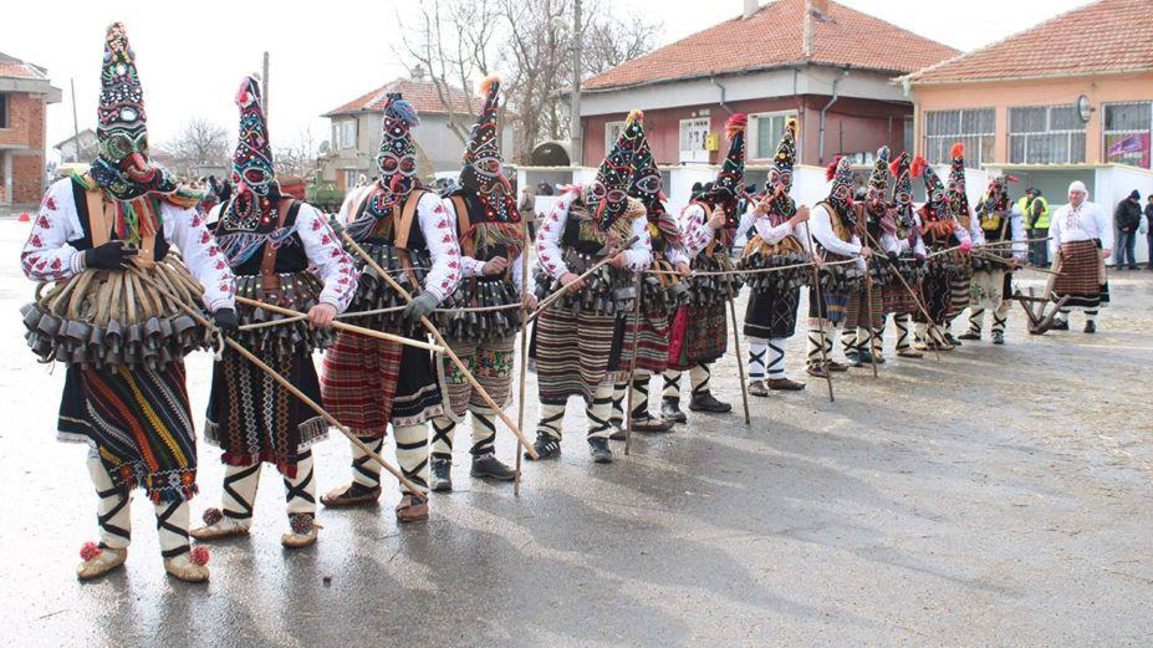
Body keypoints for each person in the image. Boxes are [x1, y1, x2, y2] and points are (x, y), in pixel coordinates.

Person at [19, 23, 235, 583]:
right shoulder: (67, 193)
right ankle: (112, 542)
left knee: (170, 437)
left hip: (155, 330)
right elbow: (33, 258)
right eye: (118, 136)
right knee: (102, 442)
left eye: (137, 135)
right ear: (100, 135)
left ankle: (175, 551)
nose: (129, 148)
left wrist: (222, 303)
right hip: (97, 336)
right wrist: (85, 259)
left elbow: (206, 254)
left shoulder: (167, 195)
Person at [190, 78, 357, 549]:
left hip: (284, 335)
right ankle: (235, 514)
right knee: (237, 424)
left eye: (254, 171)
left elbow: (340, 265)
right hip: (234, 334)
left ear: (269, 170)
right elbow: (197, 265)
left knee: (288, 426)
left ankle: (302, 516)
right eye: (241, 171)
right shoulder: (218, 213)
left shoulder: (299, 214)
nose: (247, 182)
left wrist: (328, 302)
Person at [319, 93, 461, 522]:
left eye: (403, 166)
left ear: (412, 165)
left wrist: (432, 295)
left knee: (407, 404)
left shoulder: (429, 203)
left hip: (405, 314)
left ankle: (415, 492)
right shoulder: (357, 199)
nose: (395, 174)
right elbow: (338, 251)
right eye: (388, 165)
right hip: (357, 312)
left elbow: (449, 258)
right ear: (377, 163)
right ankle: (365, 482)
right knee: (359, 399)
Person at [527, 110, 652, 464]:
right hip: (562, 292)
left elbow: (645, 253)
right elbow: (544, 242)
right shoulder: (570, 200)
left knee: (602, 366)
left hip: (606, 301)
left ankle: (598, 436)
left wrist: (624, 260)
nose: (605, 202)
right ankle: (548, 435)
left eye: (613, 196)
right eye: (601, 192)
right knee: (554, 362)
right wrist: (562, 274)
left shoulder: (634, 213)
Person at [429, 77, 534, 491]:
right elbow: (440, 256)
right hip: (460, 305)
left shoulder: (510, 208)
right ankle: (440, 462)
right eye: (484, 169)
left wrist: (527, 289)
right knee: (453, 381)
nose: (492, 177)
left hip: (501, 309)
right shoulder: (448, 206)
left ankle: (484, 455)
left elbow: (522, 254)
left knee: (491, 380)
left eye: (496, 169)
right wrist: (476, 266)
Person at [662, 115, 748, 419]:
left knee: (705, 342)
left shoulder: (727, 213)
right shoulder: (699, 210)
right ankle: (669, 399)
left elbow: (731, 238)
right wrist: (710, 227)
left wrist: (755, 215)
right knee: (681, 339)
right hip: (692, 283)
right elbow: (682, 244)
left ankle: (701, 393)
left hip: (712, 286)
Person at [607, 115, 682, 435]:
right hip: (621, 290)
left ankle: (638, 413)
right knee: (620, 355)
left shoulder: (664, 216)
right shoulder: (616, 214)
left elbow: (678, 245)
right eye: (644, 183)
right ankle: (611, 416)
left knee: (644, 355)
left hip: (654, 294)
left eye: (655, 183)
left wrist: (681, 261)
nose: (650, 190)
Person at [738, 117, 810, 393]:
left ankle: (776, 374)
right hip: (765, 267)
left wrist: (808, 252)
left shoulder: (791, 204)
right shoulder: (761, 204)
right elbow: (768, 235)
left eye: (785, 178)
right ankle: (756, 377)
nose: (780, 184)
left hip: (790, 268)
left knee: (784, 318)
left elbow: (802, 234)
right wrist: (793, 223)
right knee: (760, 319)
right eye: (776, 178)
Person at [801, 155, 871, 377]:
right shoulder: (821, 210)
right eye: (839, 190)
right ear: (833, 188)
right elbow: (829, 240)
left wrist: (863, 269)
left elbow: (854, 240)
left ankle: (827, 358)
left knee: (835, 315)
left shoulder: (847, 213)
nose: (843, 194)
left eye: (846, 191)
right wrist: (857, 252)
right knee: (820, 313)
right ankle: (814, 361)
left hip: (844, 270)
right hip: (825, 267)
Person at [842, 147, 897, 368]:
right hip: (856, 263)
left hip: (875, 264)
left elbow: (890, 237)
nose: (876, 199)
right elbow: (849, 232)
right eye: (873, 194)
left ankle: (864, 347)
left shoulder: (885, 214)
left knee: (872, 308)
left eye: (881, 195)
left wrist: (893, 252)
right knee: (854, 306)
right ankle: (849, 348)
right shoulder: (857, 210)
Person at [912, 155, 970, 351]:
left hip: (945, 262)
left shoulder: (948, 214)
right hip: (927, 262)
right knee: (924, 297)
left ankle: (936, 336)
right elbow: (916, 237)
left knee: (943, 297)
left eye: (941, 194)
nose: (939, 198)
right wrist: (920, 254)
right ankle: (919, 336)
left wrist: (965, 242)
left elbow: (958, 232)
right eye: (935, 194)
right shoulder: (919, 215)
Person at [962, 173, 1025, 345]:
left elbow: (1019, 232)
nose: (994, 189)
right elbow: (973, 227)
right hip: (981, 251)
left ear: (1004, 188)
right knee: (977, 286)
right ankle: (974, 328)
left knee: (1002, 289)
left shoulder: (1013, 206)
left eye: (998, 186)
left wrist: (1017, 255)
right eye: (992, 185)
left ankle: (998, 330)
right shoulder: (981, 205)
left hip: (1002, 254)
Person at [878, 151, 928, 359]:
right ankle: (876, 346)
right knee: (882, 308)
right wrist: (903, 246)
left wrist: (920, 253)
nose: (904, 200)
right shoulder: (887, 213)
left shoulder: (913, 216)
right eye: (901, 196)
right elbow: (887, 238)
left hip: (908, 266)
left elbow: (918, 238)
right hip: (889, 263)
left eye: (907, 197)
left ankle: (903, 344)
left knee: (904, 306)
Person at [1050, 181, 1112, 333]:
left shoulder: (1094, 209)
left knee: (1090, 288)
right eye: (1072, 192)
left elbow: (1106, 227)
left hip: (1089, 253)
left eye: (1077, 193)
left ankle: (1090, 322)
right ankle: (1062, 320)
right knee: (1063, 286)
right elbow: (1054, 232)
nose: (1074, 195)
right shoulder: (1061, 211)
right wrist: (1054, 248)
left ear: (1084, 194)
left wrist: (1108, 247)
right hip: (1067, 255)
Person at [942, 144, 975, 346]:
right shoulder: (938, 210)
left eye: (960, 187)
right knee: (943, 295)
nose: (957, 192)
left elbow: (975, 231)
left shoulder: (969, 210)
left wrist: (974, 245)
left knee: (958, 297)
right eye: (953, 187)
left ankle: (947, 330)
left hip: (962, 260)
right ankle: (939, 332)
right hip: (944, 259)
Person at [1019, 188, 1050, 267]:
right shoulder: (1039, 200)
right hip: (1041, 226)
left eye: (1031, 194)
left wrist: (1032, 223)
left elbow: (1036, 213)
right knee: (1040, 245)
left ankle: (1040, 263)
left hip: (1040, 226)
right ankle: (1040, 262)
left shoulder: (1038, 201)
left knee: (1039, 245)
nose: (1030, 195)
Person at [1114, 190, 1142, 270]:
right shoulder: (1123, 204)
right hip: (1124, 230)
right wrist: (1124, 226)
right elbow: (1118, 215)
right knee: (1121, 247)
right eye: (1135, 199)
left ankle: (1132, 265)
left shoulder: (1138, 205)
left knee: (1131, 247)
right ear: (1131, 198)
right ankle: (1119, 265)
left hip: (1133, 229)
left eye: (1137, 200)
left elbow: (1139, 214)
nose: (1136, 201)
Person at [1146, 195, 1153, 270]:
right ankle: (1151, 264)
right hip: (1150, 231)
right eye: (1150, 200)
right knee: (1151, 248)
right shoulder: (1148, 208)